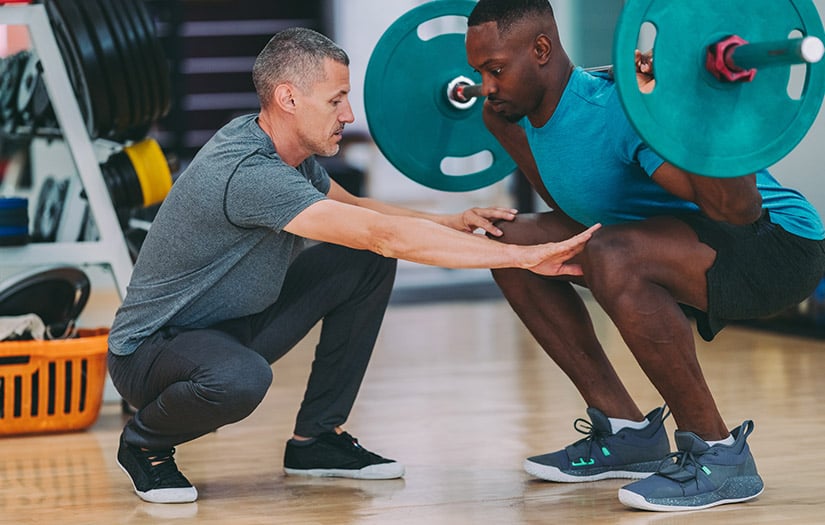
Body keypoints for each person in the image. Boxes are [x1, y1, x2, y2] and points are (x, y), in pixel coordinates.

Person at [107, 26, 599, 504]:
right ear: (288, 98)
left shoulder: (285, 149)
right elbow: (382, 235)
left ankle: (316, 439)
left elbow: (359, 210)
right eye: (335, 99)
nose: (348, 113)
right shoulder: (250, 172)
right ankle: (145, 443)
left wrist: (452, 221)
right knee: (241, 378)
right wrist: (522, 257)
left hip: (232, 325)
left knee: (363, 261)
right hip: (153, 352)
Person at [465, 0, 825, 513]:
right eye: (479, 72)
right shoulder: (508, 117)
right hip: (686, 239)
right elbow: (572, 205)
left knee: (613, 254)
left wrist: (699, 101)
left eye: (495, 70)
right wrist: (505, 127)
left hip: (776, 245)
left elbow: (734, 209)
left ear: (541, 49)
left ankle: (720, 456)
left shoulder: (617, 111)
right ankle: (627, 434)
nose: (486, 86)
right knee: (503, 243)